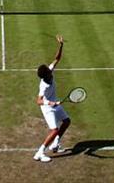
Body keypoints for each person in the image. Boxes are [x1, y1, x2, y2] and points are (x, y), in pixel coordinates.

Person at [34, 35, 70, 163]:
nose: (51, 70)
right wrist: (50, 103)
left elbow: (57, 58)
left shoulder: (49, 71)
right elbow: (38, 101)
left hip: (55, 104)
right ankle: (39, 153)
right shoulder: (43, 86)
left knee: (66, 121)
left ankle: (55, 144)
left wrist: (61, 45)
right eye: (49, 71)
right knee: (54, 130)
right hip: (47, 108)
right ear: (46, 75)